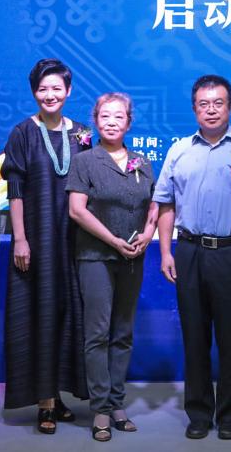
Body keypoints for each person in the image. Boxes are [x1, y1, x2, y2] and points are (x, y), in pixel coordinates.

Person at [154, 75, 231, 441]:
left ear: (230, 106)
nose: (211, 110)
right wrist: (166, 252)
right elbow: (165, 206)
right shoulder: (179, 150)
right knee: (194, 338)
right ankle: (198, 413)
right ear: (195, 108)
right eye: (204, 104)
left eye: (218, 103)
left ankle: (229, 415)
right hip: (189, 251)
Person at [1, 58, 90, 432]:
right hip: (36, 242)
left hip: (75, 241)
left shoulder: (83, 133)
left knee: (68, 315)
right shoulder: (22, 133)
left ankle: (58, 394)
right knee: (39, 314)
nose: (50, 95)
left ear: (68, 91)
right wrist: (20, 239)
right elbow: (16, 190)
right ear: (34, 92)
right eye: (42, 88)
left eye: (56, 88)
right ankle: (45, 403)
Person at [66, 93, 158, 442]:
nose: (112, 122)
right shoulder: (85, 161)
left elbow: (154, 205)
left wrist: (147, 234)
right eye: (105, 116)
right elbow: (76, 210)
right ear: (96, 120)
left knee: (123, 332)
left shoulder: (142, 162)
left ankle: (117, 403)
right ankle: (101, 408)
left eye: (119, 116)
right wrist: (113, 241)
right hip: (95, 256)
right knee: (98, 334)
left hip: (133, 256)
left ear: (129, 123)